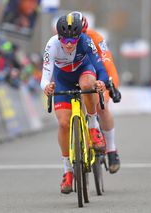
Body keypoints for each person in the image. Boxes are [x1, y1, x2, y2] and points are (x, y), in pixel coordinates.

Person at [40, 13, 109, 194]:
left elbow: (100, 67)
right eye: (65, 39)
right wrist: (47, 87)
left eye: (73, 39)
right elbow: (45, 76)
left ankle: (93, 127)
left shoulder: (86, 42)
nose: (69, 44)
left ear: (79, 36)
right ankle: (68, 171)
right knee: (63, 123)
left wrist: (101, 82)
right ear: (59, 37)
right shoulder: (52, 44)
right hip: (63, 79)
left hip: (83, 71)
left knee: (88, 85)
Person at [70, 11, 121, 174]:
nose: (80, 38)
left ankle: (111, 150)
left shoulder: (96, 37)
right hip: (77, 75)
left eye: (83, 33)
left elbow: (107, 62)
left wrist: (110, 85)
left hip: (98, 74)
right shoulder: (64, 39)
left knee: (101, 106)